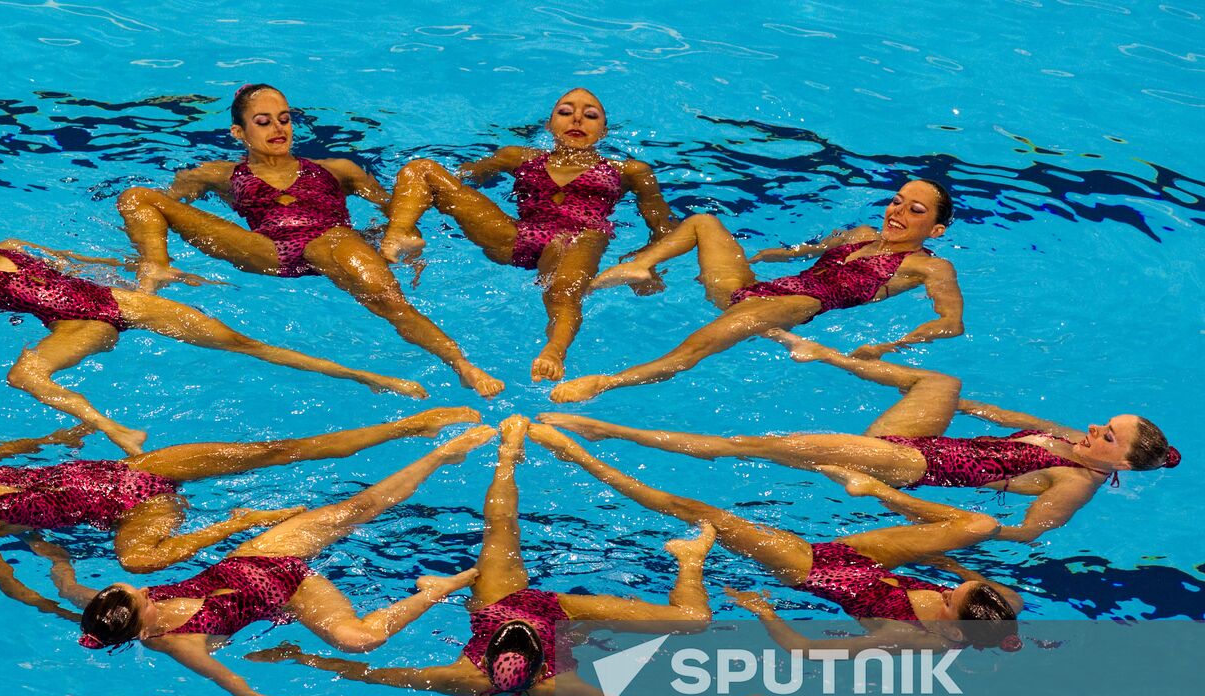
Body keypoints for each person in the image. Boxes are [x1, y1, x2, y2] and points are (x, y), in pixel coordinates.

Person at [248, 416, 778, 696]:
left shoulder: (466, 674)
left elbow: (376, 674)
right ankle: (689, 558)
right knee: (692, 622)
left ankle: (508, 454)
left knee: (500, 529)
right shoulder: (556, 685)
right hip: (564, 618)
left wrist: (304, 657)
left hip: (500, 603)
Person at [40, 426, 497, 696]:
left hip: (259, 556)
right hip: (294, 594)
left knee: (358, 508)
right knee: (359, 641)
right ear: (138, 617)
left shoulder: (105, 609)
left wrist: (51, 554)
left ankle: (440, 455)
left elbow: (71, 588)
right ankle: (444, 586)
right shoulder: (181, 644)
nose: (141, 586)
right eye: (137, 594)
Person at [0, 198, 424, 455]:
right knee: (23, 375)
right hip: (74, 324)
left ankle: (370, 377)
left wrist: (163, 272)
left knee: (247, 344)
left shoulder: (8, 246)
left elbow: (80, 265)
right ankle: (115, 429)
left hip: (116, 301)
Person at [541, 331, 1180, 542]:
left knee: (763, 443)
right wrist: (958, 406)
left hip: (908, 466)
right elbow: (987, 413)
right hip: (925, 443)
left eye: (1108, 434)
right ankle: (822, 354)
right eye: (1105, 423)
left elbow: (1014, 533)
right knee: (944, 382)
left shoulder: (1073, 484)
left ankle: (606, 429)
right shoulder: (1074, 441)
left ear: (1121, 459)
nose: (1094, 428)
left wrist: (898, 503)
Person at [0, 408, 482, 617]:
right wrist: (60, 599)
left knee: (273, 451)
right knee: (137, 558)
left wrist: (59, 436)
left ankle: (409, 426)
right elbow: (3, 580)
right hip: (137, 511)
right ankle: (237, 522)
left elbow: (7, 453)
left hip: (136, 471)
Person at [117, 84, 503, 397]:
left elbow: (395, 209)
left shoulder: (337, 170)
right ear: (239, 133)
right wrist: (147, 240)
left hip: (329, 239)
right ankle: (157, 268)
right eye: (263, 122)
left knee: (388, 300)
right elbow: (164, 204)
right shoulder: (217, 174)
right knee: (136, 197)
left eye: (284, 119)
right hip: (266, 249)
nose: (278, 129)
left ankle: (461, 364)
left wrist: (403, 237)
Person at [525, 422, 1022, 653]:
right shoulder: (998, 609)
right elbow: (977, 584)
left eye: (947, 602)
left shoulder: (903, 638)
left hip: (817, 571)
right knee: (976, 527)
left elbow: (804, 652)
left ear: (952, 632)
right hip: (867, 561)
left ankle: (582, 456)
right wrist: (953, 568)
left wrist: (765, 613)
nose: (942, 595)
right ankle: (874, 488)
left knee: (702, 513)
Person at [551, 179, 962, 402]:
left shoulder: (930, 266)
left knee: (695, 347)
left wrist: (889, 346)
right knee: (704, 223)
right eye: (897, 201)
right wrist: (765, 256)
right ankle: (642, 266)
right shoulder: (861, 233)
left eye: (916, 210)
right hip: (758, 288)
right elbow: (805, 251)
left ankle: (605, 383)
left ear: (936, 230)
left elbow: (951, 324)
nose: (898, 212)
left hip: (798, 303)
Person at [377, 88, 679, 382]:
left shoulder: (630, 170)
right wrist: (399, 218)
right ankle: (399, 233)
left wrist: (647, 261)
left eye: (590, 115)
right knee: (422, 170)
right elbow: (460, 178)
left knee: (564, 287)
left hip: (582, 237)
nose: (576, 120)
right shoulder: (516, 156)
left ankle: (554, 351)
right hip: (518, 236)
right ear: (550, 126)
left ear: (603, 131)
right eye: (565, 112)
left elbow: (662, 224)